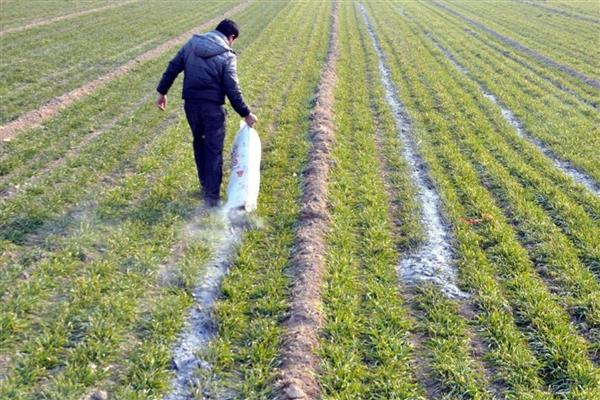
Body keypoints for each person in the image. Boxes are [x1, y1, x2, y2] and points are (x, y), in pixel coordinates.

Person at [156, 19, 257, 208]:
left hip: (191, 106)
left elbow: (173, 67)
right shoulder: (227, 55)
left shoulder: (192, 43)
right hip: (213, 109)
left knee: (199, 143)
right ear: (231, 37)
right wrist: (246, 113)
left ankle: (205, 186)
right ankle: (211, 198)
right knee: (213, 150)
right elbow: (232, 88)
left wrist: (162, 92)